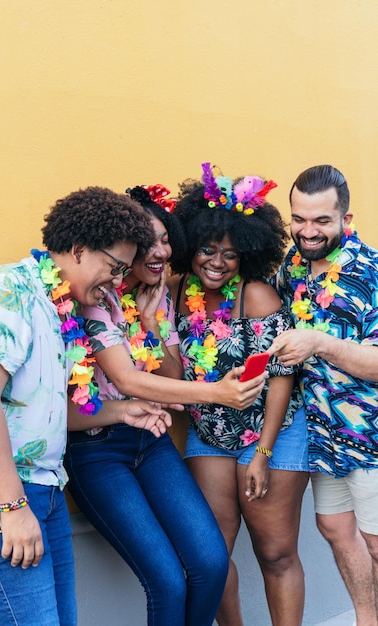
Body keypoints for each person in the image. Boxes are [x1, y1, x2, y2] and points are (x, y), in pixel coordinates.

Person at [0, 185, 178, 626]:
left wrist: (120, 410)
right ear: (78, 249)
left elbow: (40, 408)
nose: (119, 282)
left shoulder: (58, 308)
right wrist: (12, 506)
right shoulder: (6, 292)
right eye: (114, 268)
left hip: (44, 487)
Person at [64, 183, 267, 626]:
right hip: (97, 450)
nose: (160, 250)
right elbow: (125, 378)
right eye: (148, 241)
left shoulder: (159, 298)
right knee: (169, 581)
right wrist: (217, 392)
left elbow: (171, 380)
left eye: (165, 238)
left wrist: (154, 324)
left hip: (150, 441)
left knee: (211, 564)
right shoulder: (96, 298)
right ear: (124, 248)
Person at [167, 163, 310, 626]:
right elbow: (172, 372)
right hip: (210, 432)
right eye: (207, 249)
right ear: (190, 247)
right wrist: (152, 323)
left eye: (230, 254)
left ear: (245, 255)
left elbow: (284, 375)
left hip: (273, 430)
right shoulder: (173, 295)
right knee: (212, 555)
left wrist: (264, 453)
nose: (217, 262)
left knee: (274, 551)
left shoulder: (257, 296)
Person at [270, 164, 378, 626]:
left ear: (345, 220)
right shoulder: (292, 268)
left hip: (371, 435)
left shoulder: (371, 271)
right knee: (335, 529)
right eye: (299, 219)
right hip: (324, 436)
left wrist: (320, 342)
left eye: (321, 221)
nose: (307, 232)